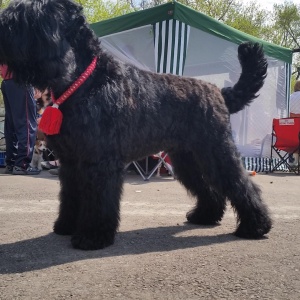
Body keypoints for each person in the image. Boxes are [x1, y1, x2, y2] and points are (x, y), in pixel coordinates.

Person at [0, 64, 40, 175]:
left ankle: (11, 163)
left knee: (11, 124)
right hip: (21, 81)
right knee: (27, 124)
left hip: (7, 81)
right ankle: (22, 164)